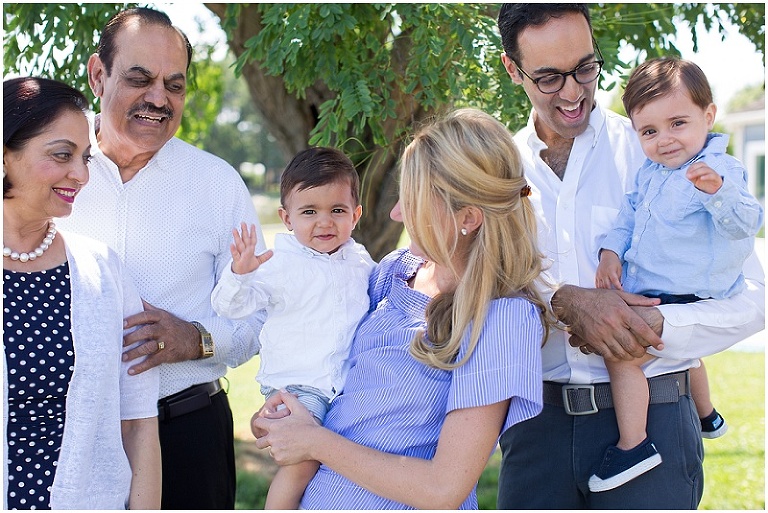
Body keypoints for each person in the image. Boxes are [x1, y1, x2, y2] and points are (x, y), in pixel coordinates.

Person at [496, 4, 765, 509]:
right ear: (513, 70)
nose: (574, 91)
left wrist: (655, 327)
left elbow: (753, 300)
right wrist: (561, 300)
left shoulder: (660, 151)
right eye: (550, 77)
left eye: (585, 69)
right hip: (534, 428)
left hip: (657, 416)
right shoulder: (497, 169)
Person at [250, 108, 553, 509]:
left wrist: (314, 441)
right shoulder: (394, 272)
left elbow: (443, 489)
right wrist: (285, 411)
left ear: (468, 218)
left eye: (412, 201)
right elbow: (338, 369)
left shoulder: (502, 319)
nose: (396, 214)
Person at [53, 7, 265, 509]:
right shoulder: (50, 165)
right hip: (68, 431)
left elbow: (261, 315)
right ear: (98, 75)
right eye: (140, 79)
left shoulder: (216, 183)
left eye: (174, 85)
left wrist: (196, 339)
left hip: (188, 432)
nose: (158, 99)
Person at [589, 57, 763, 492]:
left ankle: (635, 444)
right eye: (649, 131)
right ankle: (708, 416)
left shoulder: (720, 170)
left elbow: (747, 222)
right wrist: (611, 253)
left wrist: (718, 193)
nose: (664, 140)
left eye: (678, 124)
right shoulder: (651, 174)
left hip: (687, 293)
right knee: (686, 357)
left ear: (708, 116)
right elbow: (627, 218)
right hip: (661, 290)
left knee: (623, 357)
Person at [3, 76, 161, 509]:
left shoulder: (103, 272)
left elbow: (139, 425)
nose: (82, 174)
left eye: (86, 157)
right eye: (61, 155)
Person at [211, 147, 376, 509]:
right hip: (298, 386)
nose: (324, 222)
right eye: (309, 212)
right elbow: (229, 307)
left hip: (344, 386)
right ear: (287, 218)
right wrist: (240, 273)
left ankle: (267, 430)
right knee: (304, 461)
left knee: (342, 463)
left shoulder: (360, 260)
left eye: (337, 210)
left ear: (356, 214)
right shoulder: (279, 262)